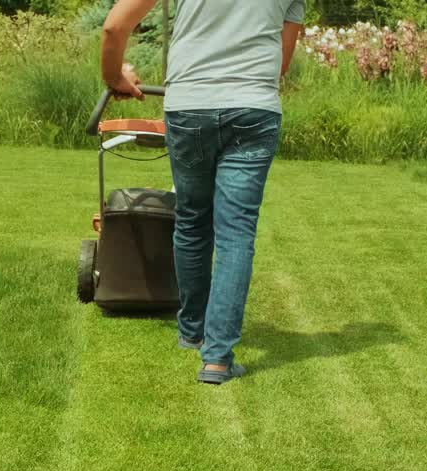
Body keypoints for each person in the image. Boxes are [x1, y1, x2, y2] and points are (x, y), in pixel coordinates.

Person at [101, 0, 304, 385]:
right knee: (236, 233)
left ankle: (192, 331)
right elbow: (280, 64)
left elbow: (114, 28)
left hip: (191, 106)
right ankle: (217, 360)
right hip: (254, 109)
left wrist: (115, 77)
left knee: (193, 220)